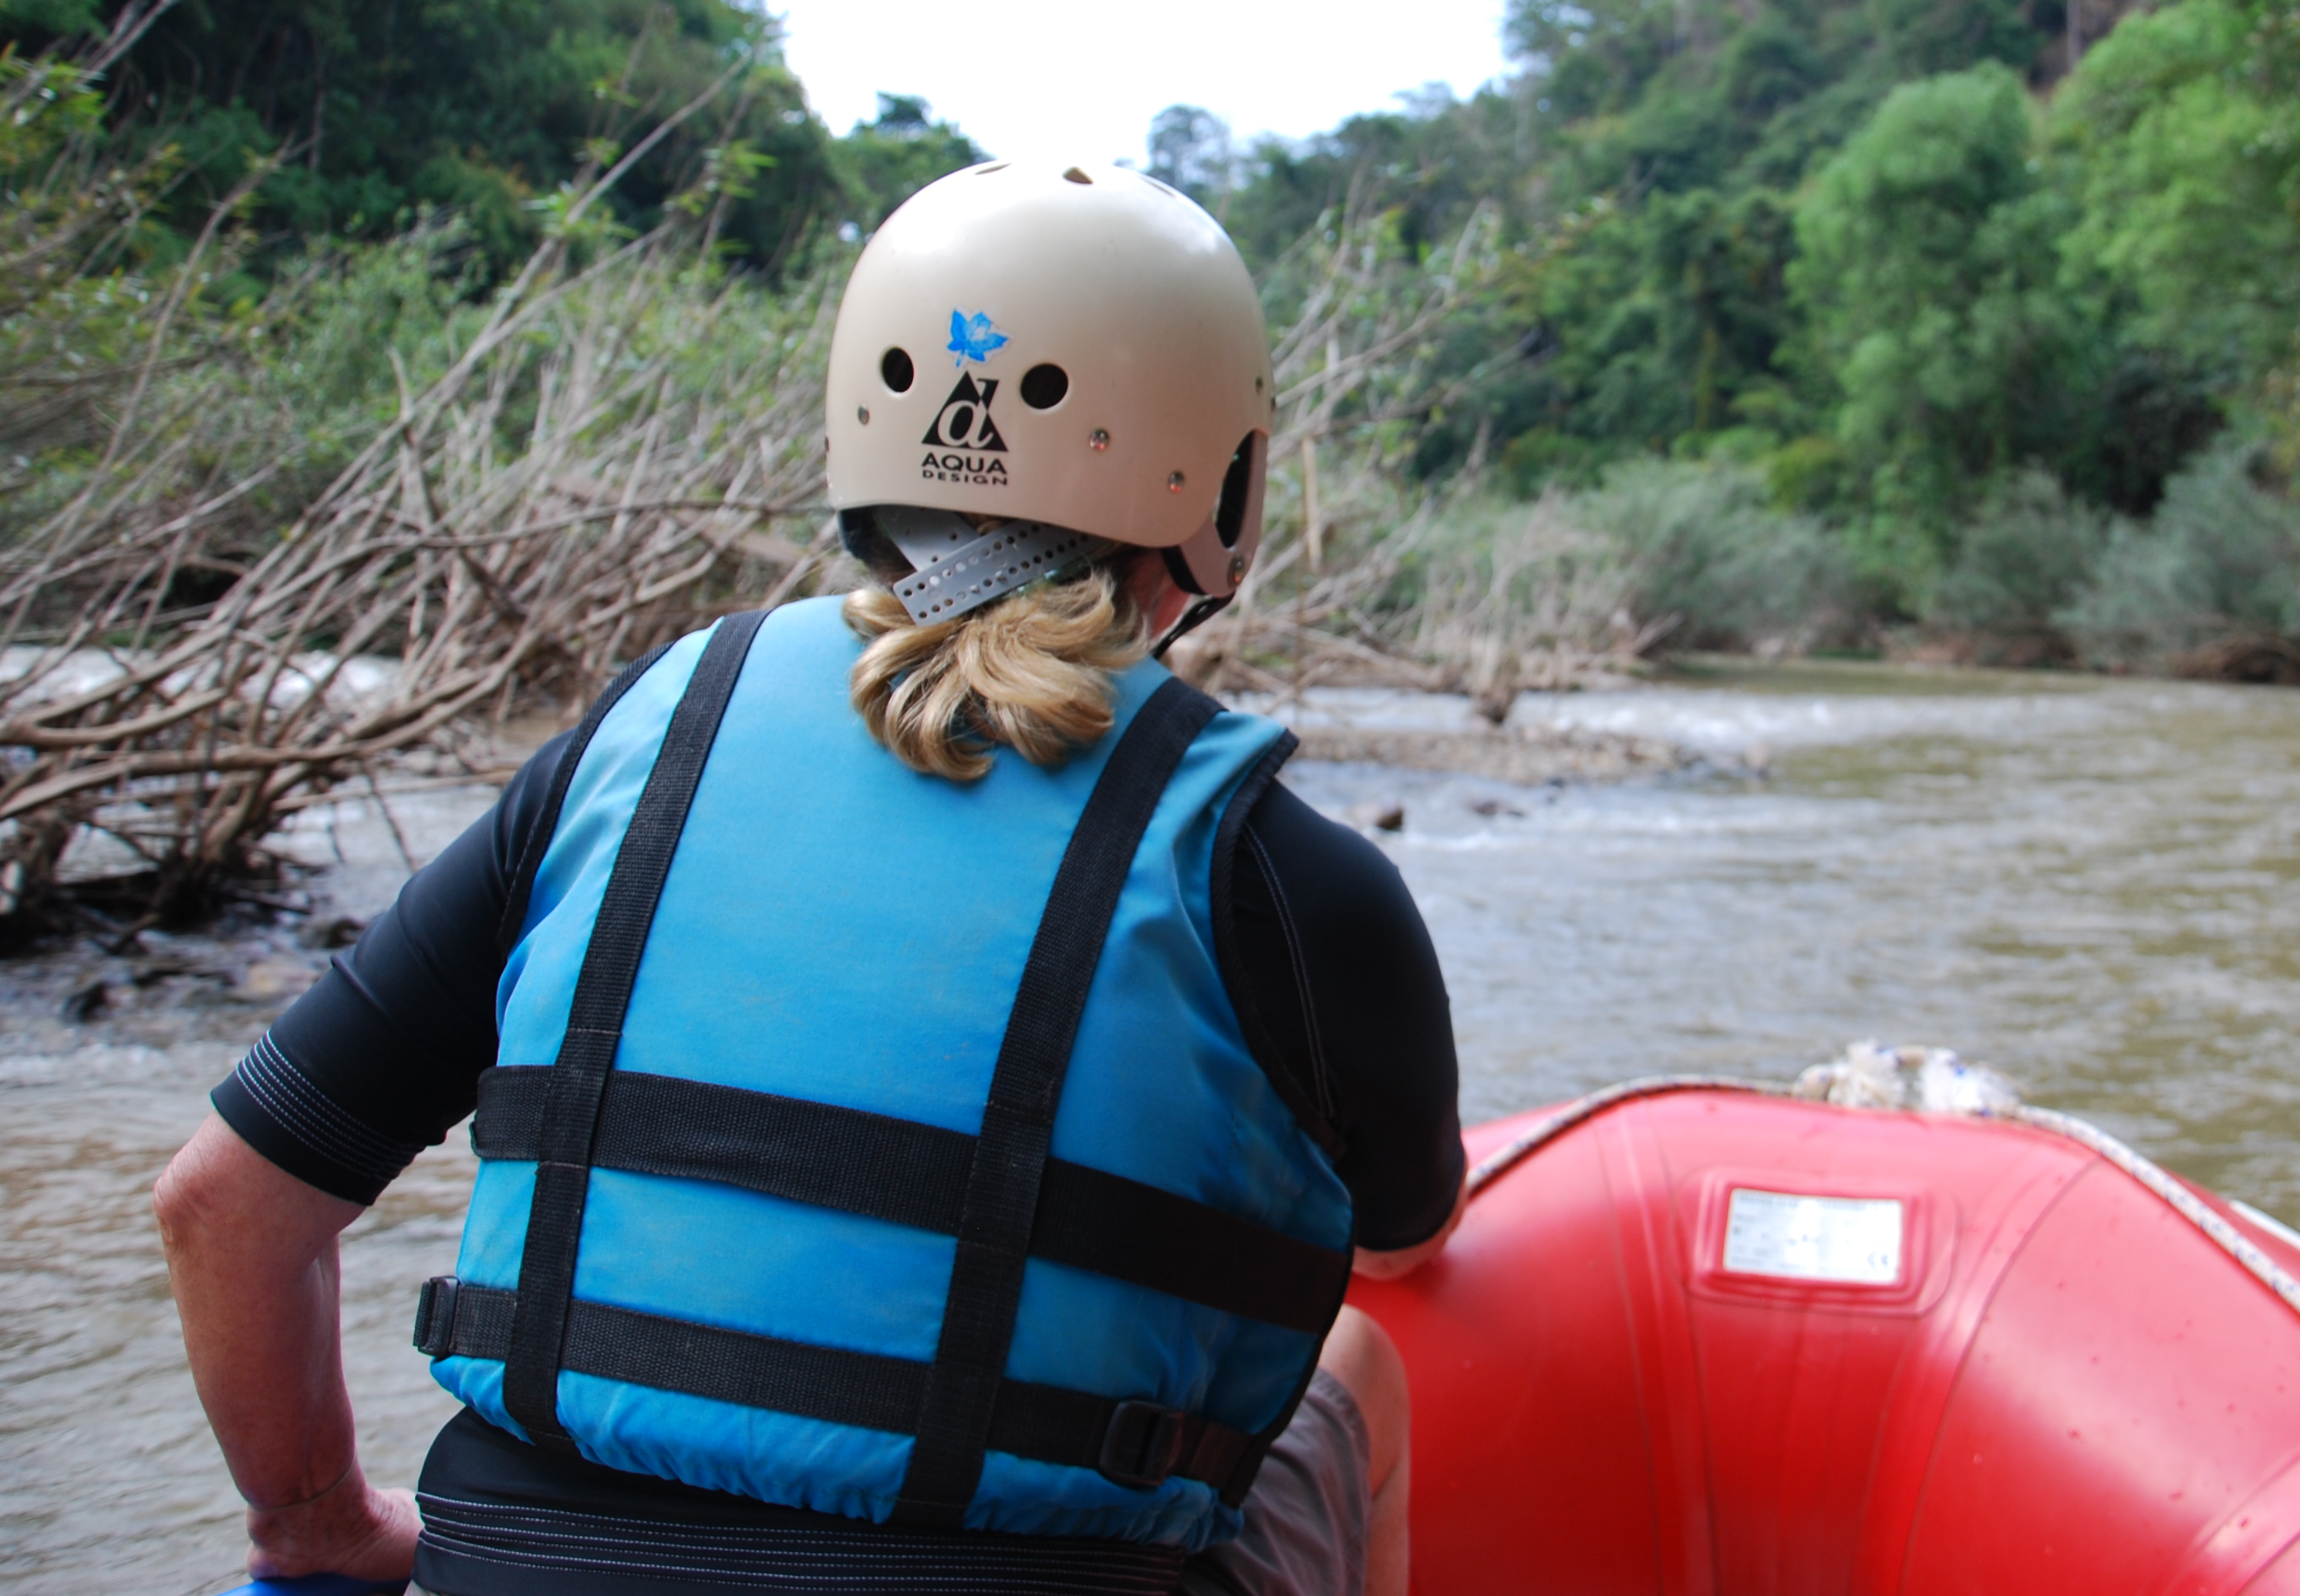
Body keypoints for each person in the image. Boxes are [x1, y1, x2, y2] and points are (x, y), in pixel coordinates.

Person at [153, 159, 1467, 1596]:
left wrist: (318, 1525)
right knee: (1359, 1356)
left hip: (524, 1560)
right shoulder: (1285, 872)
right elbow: (1399, 1242)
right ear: (1223, 484)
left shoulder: (642, 743)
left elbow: (225, 1207)